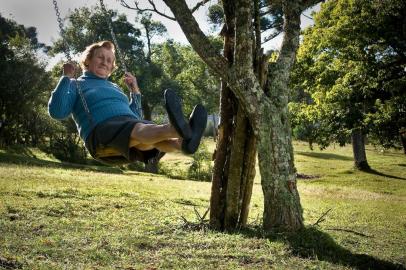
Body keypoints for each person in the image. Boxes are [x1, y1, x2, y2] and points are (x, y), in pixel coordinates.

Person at [48, 40, 207, 164]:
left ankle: (183, 144)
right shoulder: (76, 84)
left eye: (109, 61)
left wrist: (135, 92)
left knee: (149, 140)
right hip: (99, 133)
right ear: (87, 61)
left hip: (126, 130)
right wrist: (66, 77)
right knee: (140, 130)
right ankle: (179, 128)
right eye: (100, 57)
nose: (105, 62)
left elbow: (134, 116)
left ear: (111, 68)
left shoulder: (114, 86)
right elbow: (57, 112)